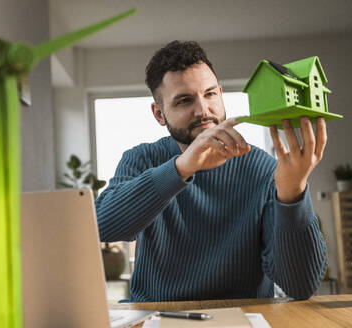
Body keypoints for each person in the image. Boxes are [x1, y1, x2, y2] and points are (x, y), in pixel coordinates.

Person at [95, 40, 327, 302]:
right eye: (184, 100)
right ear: (159, 114)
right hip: (157, 316)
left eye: (210, 94)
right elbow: (103, 226)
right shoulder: (142, 159)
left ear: (220, 94)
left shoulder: (264, 169)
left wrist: (292, 193)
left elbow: (301, 285)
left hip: (242, 317)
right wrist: (183, 167)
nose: (203, 110)